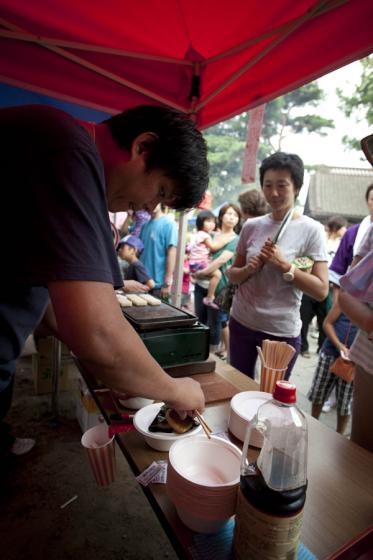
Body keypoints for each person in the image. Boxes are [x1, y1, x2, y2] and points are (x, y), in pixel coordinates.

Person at [0, 103, 208, 457]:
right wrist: (174, 389)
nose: (144, 208)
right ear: (142, 147)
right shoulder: (67, 151)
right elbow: (97, 333)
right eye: (159, 191)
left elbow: (54, 309)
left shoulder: (62, 146)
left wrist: (131, 373)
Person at [227, 152, 329, 380]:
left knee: (273, 400)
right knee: (238, 387)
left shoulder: (311, 230)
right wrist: (247, 270)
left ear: (297, 188)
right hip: (242, 321)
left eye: (282, 185)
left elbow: (321, 290)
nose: (274, 193)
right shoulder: (251, 226)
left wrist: (285, 266)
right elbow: (233, 275)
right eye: (268, 185)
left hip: (280, 330)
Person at [307, 279, 357, 434]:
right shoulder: (346, 300)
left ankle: (340, 435)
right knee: (318, 394)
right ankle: (312, 427)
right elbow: (327, 324)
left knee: (345, 403)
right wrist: (339, 345)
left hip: (353, 362)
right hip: (330, 354)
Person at [193, 204, 241, 357]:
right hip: (201, 285)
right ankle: (199, 351)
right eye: (228, 214)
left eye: (235, 215)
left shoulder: (236, 240)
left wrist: (201, 273)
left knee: (216, 323)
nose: (231, 217)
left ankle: (212, 355)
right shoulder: (211, 235)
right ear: (220, 217)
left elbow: (221, 261)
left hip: (220, 287)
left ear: (238, 220)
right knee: (200, 319)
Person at [300, 215, 347, 358]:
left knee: (324, 318)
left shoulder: (342, 243)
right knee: (304, 316)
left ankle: (321, 347)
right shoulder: (321, 238)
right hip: (311, 282)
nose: (345, 230)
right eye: (344, 227)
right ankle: (304, 347)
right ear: (337, 227)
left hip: (330, 286)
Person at [189, 210, 235, 309]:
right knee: (217, 274)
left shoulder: (199, 234)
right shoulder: (206, 235)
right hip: (200, 263)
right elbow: (213, 247)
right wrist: (225, 241)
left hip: (195, 263)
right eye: (208, 221)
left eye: (213, 222)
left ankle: (206, 292)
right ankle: (210, 297)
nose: (212, 224)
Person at [139, 204, 178, 300]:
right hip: (143, 283)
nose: (151, 203)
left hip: (158, 286)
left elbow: (172, 253)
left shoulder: (169, 224)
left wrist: (167, 283)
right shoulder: (144, 225)